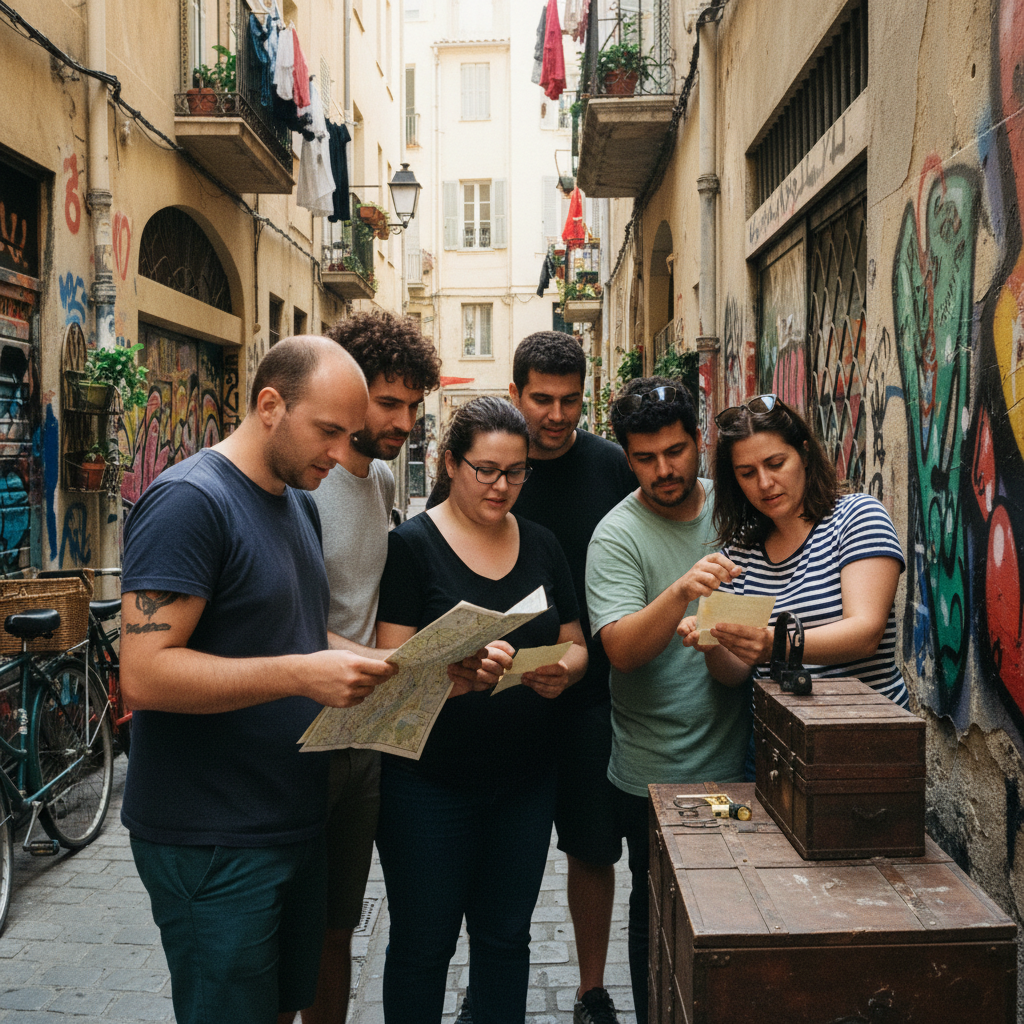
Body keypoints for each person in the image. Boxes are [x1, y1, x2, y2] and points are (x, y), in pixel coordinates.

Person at [119, 336, 397, 1024]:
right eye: (327, 431)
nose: (339, 454)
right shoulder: (190, 501)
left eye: (347, 434)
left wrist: (396, 668)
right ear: (269, 405)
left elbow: (296, 634)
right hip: (211, 836)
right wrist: (302, 674)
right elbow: (145, 675)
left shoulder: (297, 500)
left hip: (289, 820)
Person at [375, 396, 589, 1024]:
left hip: (524, 783)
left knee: (504, 940)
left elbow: (577, 644)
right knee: (423, 944)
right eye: (486, 470)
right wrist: (452, 674)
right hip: (426, 788)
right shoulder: (412, 547)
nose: (502, 486)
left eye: (517, 472)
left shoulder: (544, 544)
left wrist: (562, 671)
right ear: (450, 463)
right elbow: (390, 668)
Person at [585, 376, 752, 1024]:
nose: (665, 469)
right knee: (656, 917)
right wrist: (682, 590)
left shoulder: (732, 512)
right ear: (627, 458)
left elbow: (739, 652)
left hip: (735, 769)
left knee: (728, 916)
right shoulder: (616, 535)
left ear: (699, 440)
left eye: (676, 451)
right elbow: (622, 650)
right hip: (650, 782)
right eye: (647, 458)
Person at [303, 313, 441, 1024]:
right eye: (389, 403)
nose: (404, 420)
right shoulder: (303, 487)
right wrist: (389, 662)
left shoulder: (384, 480)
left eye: (414, 405)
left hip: (364, 733)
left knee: (338, 925)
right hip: (300, 728)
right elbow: (289, 622)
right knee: (289, 927)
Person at [508, 331, 636, 1024]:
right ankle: (497, 981)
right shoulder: (490, 460)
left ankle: (591, 991)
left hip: (592, 697)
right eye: (541, 400)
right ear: (515, 394)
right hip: (503, 697)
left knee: (592, 848)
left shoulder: (611, 465)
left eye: (570, 401)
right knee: (505, 857)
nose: (556, 416)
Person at [677, 393, 909, 719]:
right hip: (779, 740)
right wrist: (714, 639)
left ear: (803, 452)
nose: (765, 483)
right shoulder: (741, 553)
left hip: (864, 733)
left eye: (775, 464)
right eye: (747, 473)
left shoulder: (857, 517)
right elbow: (733, 674)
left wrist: (775, 644)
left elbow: (865, 633)